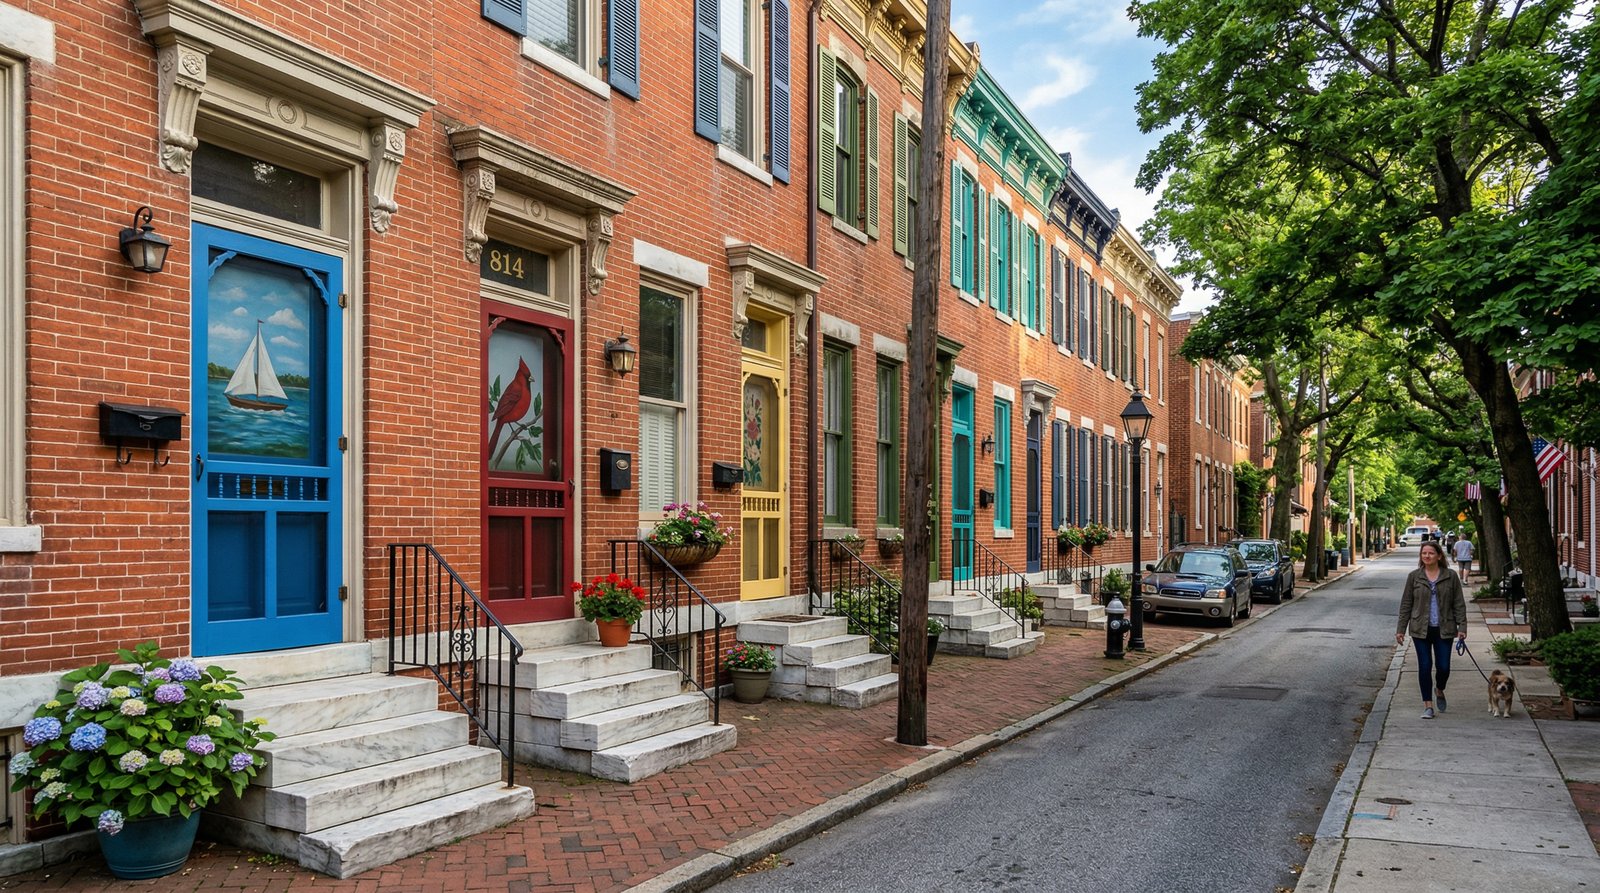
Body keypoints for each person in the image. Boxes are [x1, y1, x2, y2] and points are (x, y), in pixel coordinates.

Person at [1396, 541, 1468, 719]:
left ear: (1439, 555)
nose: (1427, 556)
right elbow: (1406, 604)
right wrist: (1401, 629)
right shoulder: (1414, 577)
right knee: (1425, 666)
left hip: (1445, 628)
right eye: (1424, 553)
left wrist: (1462, 626)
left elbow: (1459, 603)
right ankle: (1428, 705)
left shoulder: (1450, 576)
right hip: (1420, 629)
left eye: (1430, 553)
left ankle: (1439, 688)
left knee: (1443, 667)